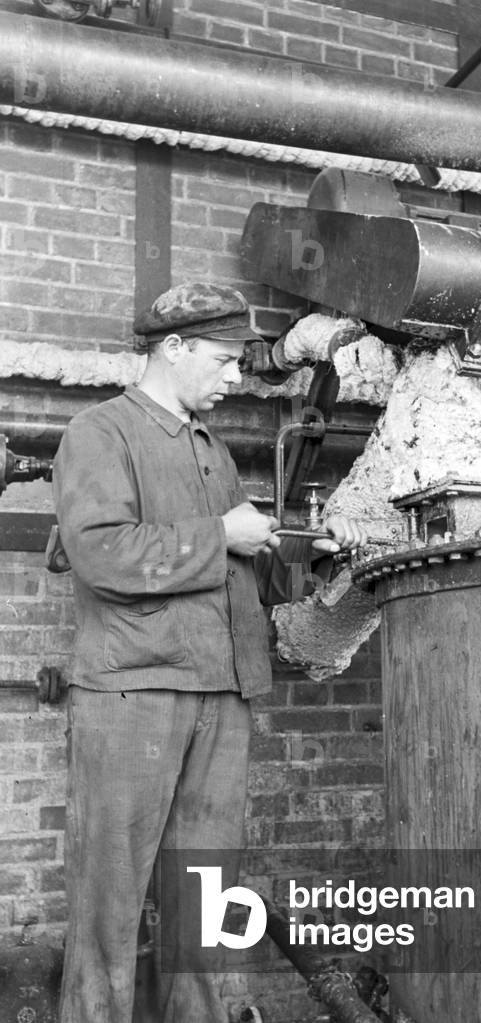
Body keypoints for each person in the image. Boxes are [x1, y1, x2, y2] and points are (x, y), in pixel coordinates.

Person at [52, 282, 366, 1023]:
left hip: (220, 696)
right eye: (224, 362)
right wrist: (221, 534)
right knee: (109, 901)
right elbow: (99, 554)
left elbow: (240, 578)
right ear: (174, 348)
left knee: (204, 897)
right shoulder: (100, 433)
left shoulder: (211, 451)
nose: (234, 378)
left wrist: (313, 556)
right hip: (133, 694)